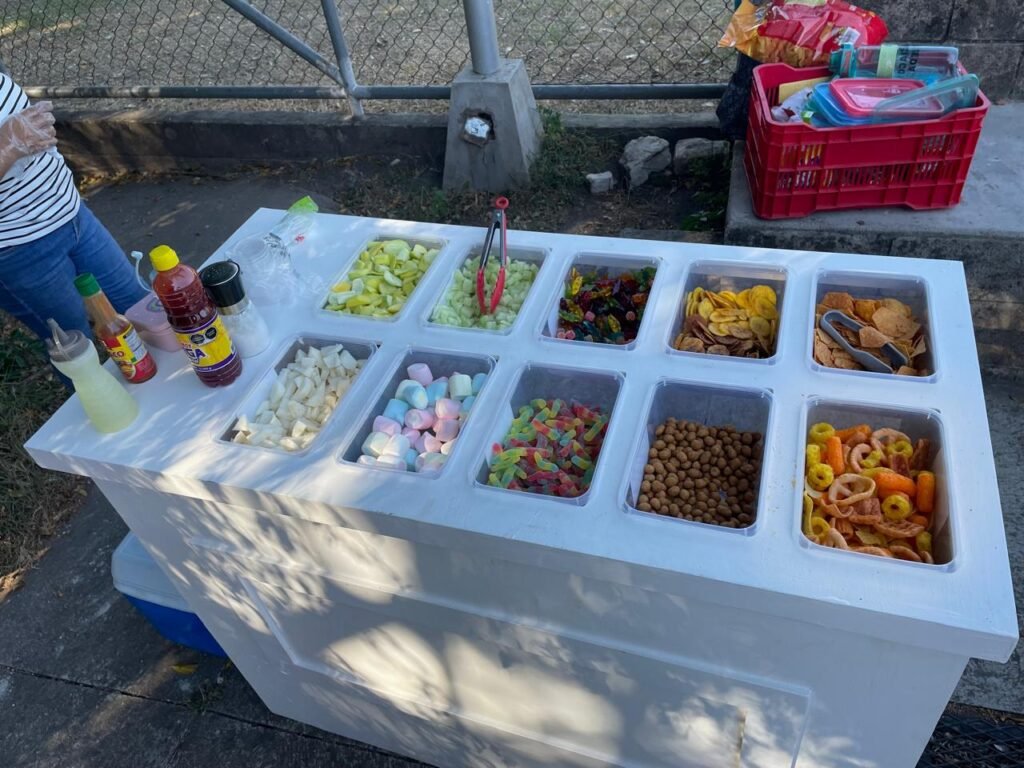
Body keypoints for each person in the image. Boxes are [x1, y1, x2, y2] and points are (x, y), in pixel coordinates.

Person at [0, 73, 147, 350]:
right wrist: (7, 146)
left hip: (73, 215)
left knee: (140, 308)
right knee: (77, 349)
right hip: (17, 251)